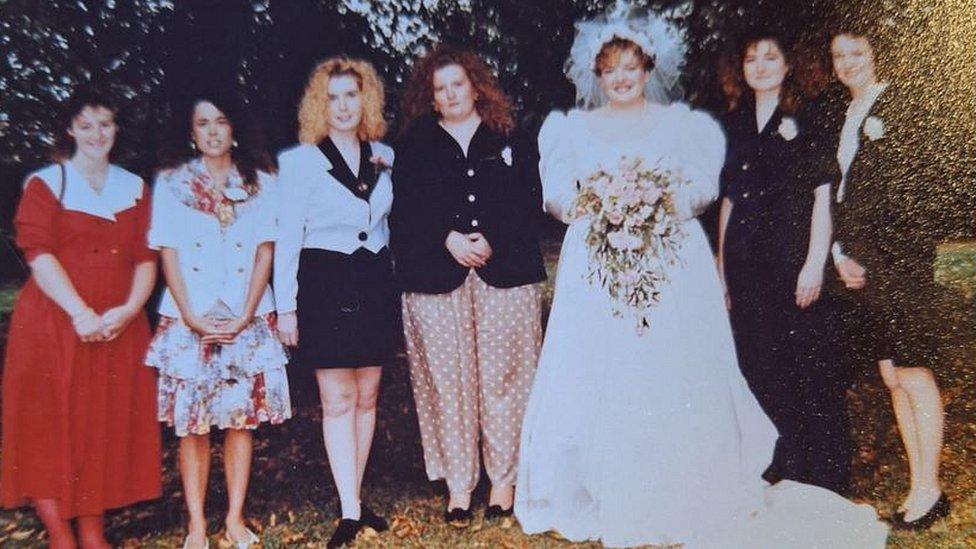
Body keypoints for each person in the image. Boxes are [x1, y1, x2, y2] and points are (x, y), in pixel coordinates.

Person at [514, 6, 888, 548]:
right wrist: (602, 205)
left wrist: (654, 203)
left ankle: (683, 482)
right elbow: (556, 196)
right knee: (606, 369)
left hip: (668, 262)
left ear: (648, 70)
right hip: (601, 269)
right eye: (611, 70)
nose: (622, 78)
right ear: (597, 75)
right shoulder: (571, 128)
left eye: (632, 67)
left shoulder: (681, 125)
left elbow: (706, 190)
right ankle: (607, 484)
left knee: (671, 368)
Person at [391, 44, 546, 525]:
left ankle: (504, 480)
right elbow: (404, 209)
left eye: (458, 83)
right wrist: (448, 238)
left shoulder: (510, 136)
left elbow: (530, 199)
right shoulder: (415, 143)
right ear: (430, 97)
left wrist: (493, 239)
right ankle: (460, 485)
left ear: (476, 85)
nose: (451, 94)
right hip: (436, 278)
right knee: (447, 383)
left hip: (507, 272)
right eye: (440, 88)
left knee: (505, 378)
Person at [1, 88, 161, 549]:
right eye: (86, 125)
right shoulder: (47, 182)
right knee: (48, 426)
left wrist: (128, 312)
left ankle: (92, 530)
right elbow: (38, 254)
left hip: (116, 325)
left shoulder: (134, 187)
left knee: (100, 426)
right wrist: (81, 314)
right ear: (70, 128)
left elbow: (146, 259)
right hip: (55, 323)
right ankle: (59, 533)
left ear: (117, 129)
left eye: (106, 124)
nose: (97, 134)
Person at [146, 91, 290, 549]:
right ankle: (195, 525)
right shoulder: (170, 183)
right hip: (190, 316)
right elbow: (167, 249)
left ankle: (233, 518)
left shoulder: (263, 181)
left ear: (234, 130)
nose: (212, 131)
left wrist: (248, 313)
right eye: (203, 123)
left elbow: (265, 248)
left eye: (221, 122)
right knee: (194, 425)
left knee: (238, 421)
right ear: (191, 134)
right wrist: (189, 315)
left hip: (245, 316)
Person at [717, 33, 851, 493]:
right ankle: (785, 459)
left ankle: (828, 471)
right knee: (760, 362)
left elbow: (822, 195)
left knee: (809, 363)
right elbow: (729, 201)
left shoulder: (809, 116)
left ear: (788, 64)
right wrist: (722, 272)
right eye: (751, 58)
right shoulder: (732, 123)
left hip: (792, 258)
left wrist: (815, 263)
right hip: (744, 261)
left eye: (770, 56)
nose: (760, 65)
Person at [829, 28, 950, 529]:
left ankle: (929, 485)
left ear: (875, 54)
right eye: (838, 55)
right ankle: (919, 486)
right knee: (891, 375)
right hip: (856, 262)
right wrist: (839, 255)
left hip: (899, 262)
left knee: (916, 372)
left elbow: (914, 192)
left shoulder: (903, 105)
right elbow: (837, 194)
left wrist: (876, 259)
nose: (847, 62)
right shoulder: (841, 115)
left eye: (857, 52)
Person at [275, 57, 394, 548]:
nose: (343, 107)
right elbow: (287, 237)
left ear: (365, 99)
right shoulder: (299, 161)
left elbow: (386, 223)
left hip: (372, 281)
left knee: (366, 397)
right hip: (324, 282)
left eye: (351, 95)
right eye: (333, 97)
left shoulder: (385, 154)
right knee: (337, 400)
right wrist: (286, 306)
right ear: (318, 105)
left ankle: (356, 497)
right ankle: (348, 509)